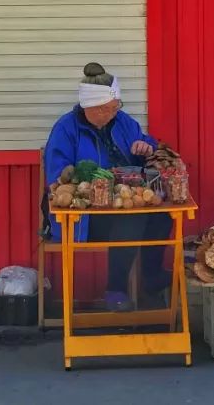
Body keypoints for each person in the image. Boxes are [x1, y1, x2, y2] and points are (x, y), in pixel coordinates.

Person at [43, 62, 172, 312]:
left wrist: (144, 147)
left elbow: (146, 142)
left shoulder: (122, 122)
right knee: (130, 220)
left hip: (123, 201)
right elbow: (57, 177)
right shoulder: (66, 129)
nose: (111, 114)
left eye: (115, 108)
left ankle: (151, 278)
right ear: (88, 107)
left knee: (161, 217)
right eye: (105, 110)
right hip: (84, 216)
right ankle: (116, 288)